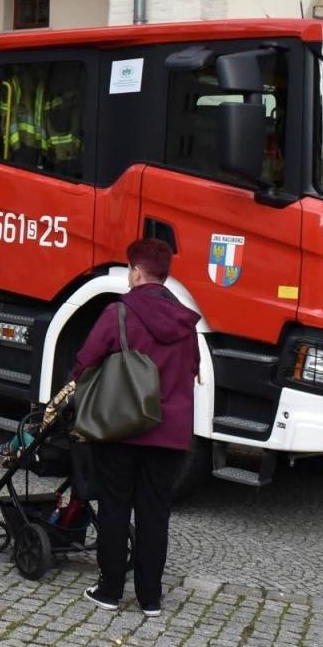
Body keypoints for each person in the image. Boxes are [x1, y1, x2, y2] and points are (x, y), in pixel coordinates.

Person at [73, 238, 200, 618]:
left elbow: (85, 361)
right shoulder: (186, 322)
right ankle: (151, 598)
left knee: (114, 505)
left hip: (123, 426)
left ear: (138, 271)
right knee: (155, 513)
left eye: (130, 269)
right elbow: (192, 370)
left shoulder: (119, 313)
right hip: (171, 432)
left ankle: (110, 590)